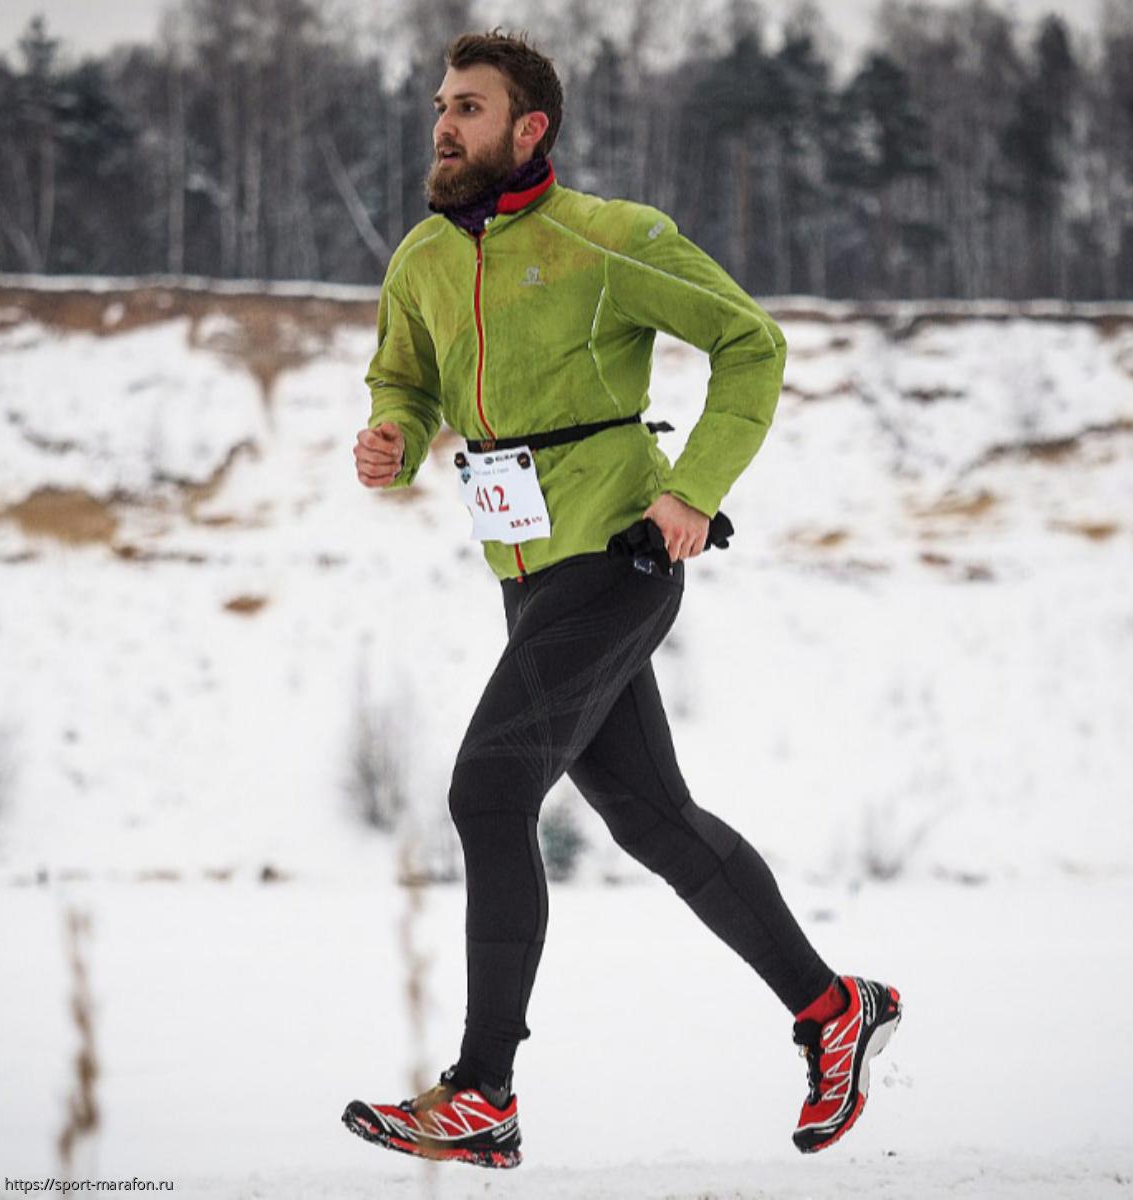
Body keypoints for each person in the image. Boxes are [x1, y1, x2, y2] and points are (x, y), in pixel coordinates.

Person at [342, 29, 901, 1170]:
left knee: (491, 789)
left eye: (471, 108)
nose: (445, 125)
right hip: (525, 578)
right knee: (652, 819)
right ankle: (830, 1005)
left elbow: (751, 344)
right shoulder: (424, 260)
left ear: (527, 128)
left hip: (621, 559)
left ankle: (482, 1090)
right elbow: (402, 379)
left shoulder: (610, 239)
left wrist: (692, 492)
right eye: (441, 105)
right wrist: (391, 438)